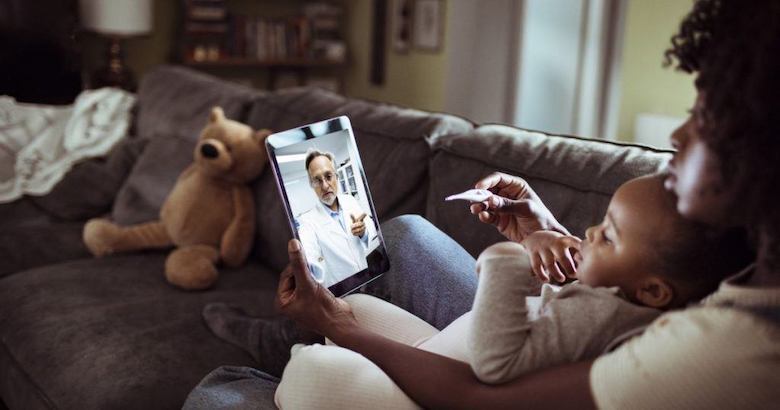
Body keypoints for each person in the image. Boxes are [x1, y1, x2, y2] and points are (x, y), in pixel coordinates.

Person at [184, 0, 780, 407]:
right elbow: (635, 294)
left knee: (223, 391)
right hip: (527, 341)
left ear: (760, 150)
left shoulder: (734, 353)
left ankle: (296, 350)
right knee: (405, 236)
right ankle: (302, 338)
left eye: (706, 118)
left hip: (495, 376)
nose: (678, 136)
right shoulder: (744, 258)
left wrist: (509, 260)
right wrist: (546, 232)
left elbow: (481, 396)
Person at [273, 174, 753, 409]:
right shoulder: (633, 298)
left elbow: (490, 371)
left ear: (653, 291)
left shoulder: (626, 329)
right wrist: (549, 240)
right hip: (447, 347)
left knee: (309, 370)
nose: (589, 233)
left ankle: (280, 363)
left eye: (607, 235)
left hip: (451, 385)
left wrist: (510, 260)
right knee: (362, 295)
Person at [297, 149, 375, 287]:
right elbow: (309, 254)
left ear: (337, 177)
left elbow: (372, 232)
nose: (325, 185)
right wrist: (309, 266)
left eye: (328, 176)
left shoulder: (350, 200)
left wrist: (363, 233)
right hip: (344, 290)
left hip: (369, 275)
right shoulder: (307, 221)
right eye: (317, 180)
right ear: (311, 185)